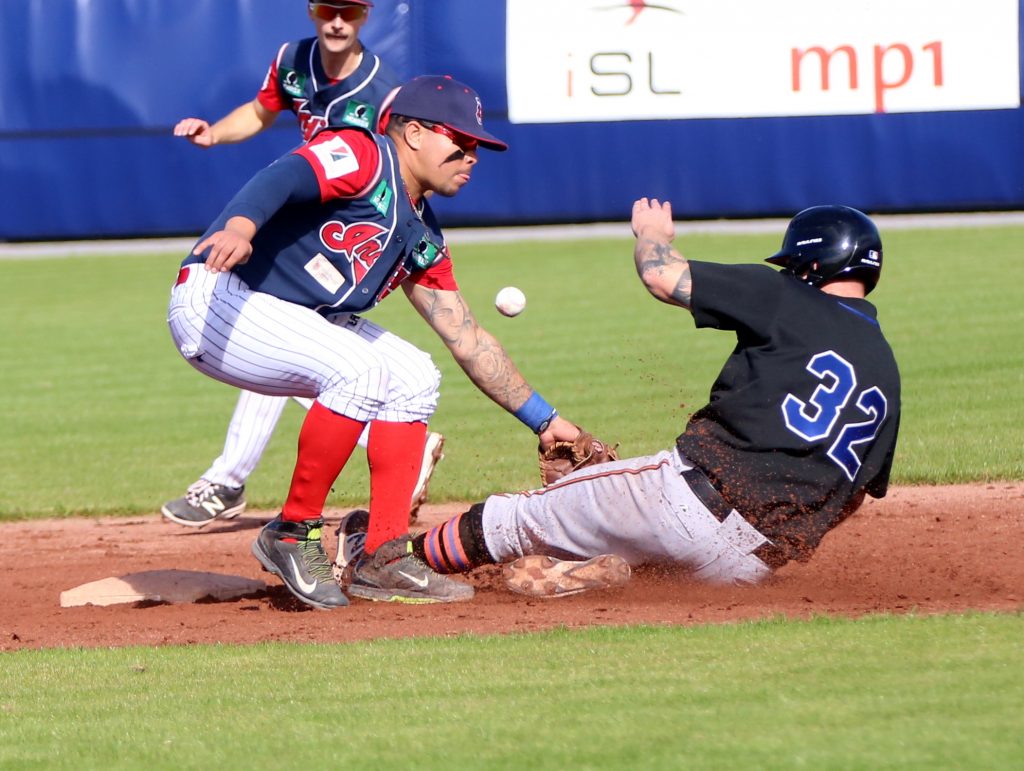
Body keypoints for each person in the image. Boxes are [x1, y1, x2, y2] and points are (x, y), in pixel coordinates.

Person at [336, 201, 902, 597]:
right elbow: (851, 497)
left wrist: (652, 234)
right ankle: (590, 571)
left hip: (678, 503)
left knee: (511, 518)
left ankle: (390, 562)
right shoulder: (886, 374)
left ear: (808, 263)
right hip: (745, 568)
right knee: (633, 539)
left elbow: (664, 278)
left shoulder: (785, 294)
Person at [167, 75, 584, 610]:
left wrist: (546, 421)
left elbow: (469, 339)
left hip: (286, 314)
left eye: (478, 144)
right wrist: (242, 226)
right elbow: (287, 174)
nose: (471, 154)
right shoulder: (364, 153)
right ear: (413, 133)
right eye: (461, 140)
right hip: (218, 297)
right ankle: (292, 533)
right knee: (359, 370)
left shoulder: (421, 235)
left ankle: (383, 555)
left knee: (414, 374)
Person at [166, 1, 444, 527]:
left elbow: (396, 165)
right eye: (327, 9)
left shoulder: (382, 90)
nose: (337, 22)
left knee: (291, 334)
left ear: (365, 16)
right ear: (312, 11)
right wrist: (214, 133)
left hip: (342, 214)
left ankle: (231, 482)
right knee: (279, 331)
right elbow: (260, 110)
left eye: (350, 11)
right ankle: (232, 479)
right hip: (306, 195)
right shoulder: (292, 60)